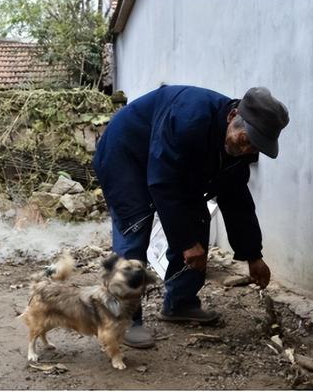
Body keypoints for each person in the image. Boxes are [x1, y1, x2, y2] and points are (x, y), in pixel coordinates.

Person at [92, 85, 289, 349]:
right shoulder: (188, 118)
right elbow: (163, 183)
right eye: (245, 140)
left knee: (197, 220)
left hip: (172, 165)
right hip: (126, 155)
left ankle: (180, 303)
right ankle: (123, 319)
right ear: (232, 117)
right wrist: (185, 243)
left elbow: (237, 199)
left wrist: (253, 255)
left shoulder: (240, 150)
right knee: (135, 228)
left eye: (255, 147)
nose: (247, 151)